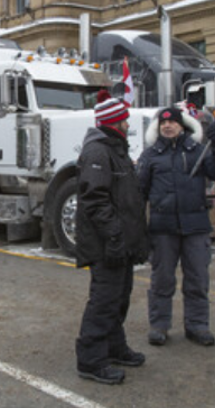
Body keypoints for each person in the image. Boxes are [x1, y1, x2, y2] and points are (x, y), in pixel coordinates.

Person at [136, 103, 215, 348]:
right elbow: (139, 194)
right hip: (162, 228)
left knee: (197, 280)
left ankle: (197, 325)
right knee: (162, 280)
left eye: (173, 122)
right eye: (163, 122)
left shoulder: (199, 150)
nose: (168, 126)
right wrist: (138, 230)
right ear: (158, 126)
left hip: (195, 227)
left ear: (182, 125)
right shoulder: (150, 156)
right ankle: (159, 325)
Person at [74, 92, 149, 385]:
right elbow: (95, 201)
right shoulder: (98, 152)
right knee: (104, 301)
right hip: (106, 245)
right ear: (115, 122)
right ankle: (90, 360)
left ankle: (114, 347)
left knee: (119, 298)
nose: (128, 123)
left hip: (120, 244)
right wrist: (115, 237)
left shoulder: (115, 149)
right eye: (125, 119)